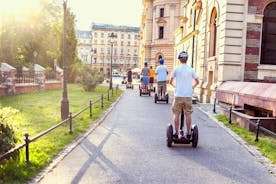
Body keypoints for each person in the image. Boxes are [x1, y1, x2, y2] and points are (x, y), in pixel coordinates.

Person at [169, 51, 199, 140]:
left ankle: (176, 132)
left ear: (179, 59)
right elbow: (197, 81)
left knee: (176, 114)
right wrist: (191, 87)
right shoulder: (191, 69)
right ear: (187, 59)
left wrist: (176, 86)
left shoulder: (176, 69)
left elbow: (170, 82)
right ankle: (189, 133)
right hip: (188, 96)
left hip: (178, 95)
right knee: (188, 114)